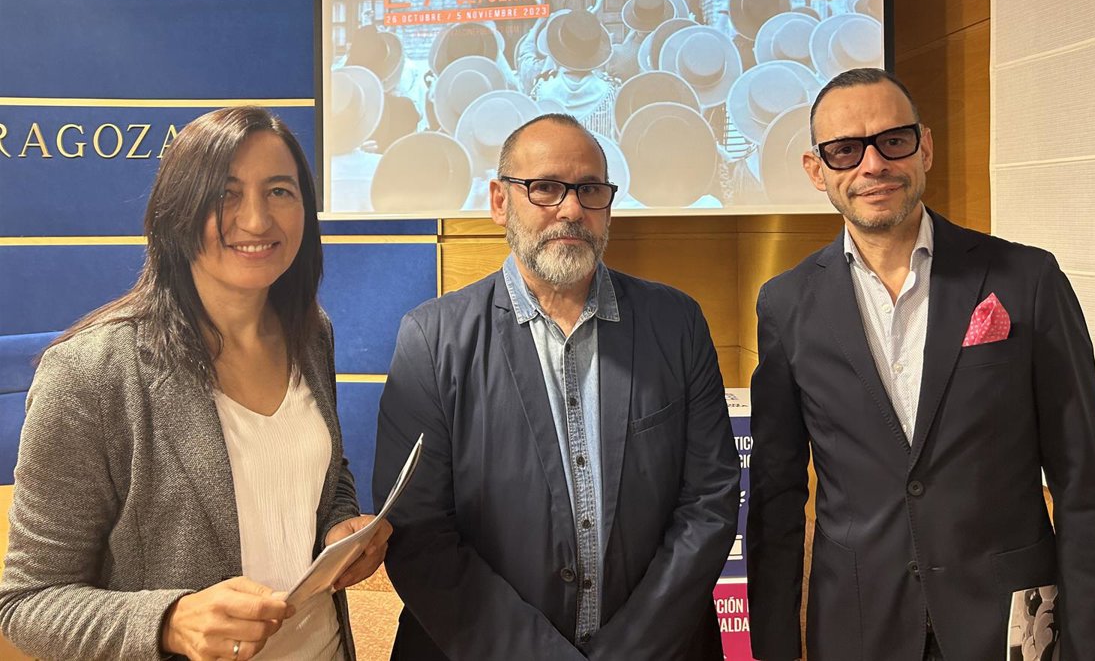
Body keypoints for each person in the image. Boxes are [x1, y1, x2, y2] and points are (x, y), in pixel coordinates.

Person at [746, 69, 1095, 661]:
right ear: (817, 170)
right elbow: (777, 497)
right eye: (845, 150)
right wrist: (772, 648)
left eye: (892, 140)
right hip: (858, 627)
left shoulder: (1026, 280)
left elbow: (1082, 483)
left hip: (1009, 621)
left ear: (924, 147)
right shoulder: (786, 303)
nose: (873, 164)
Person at [0, 106, 390, 661]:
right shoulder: (91, 372)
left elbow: (325, 473)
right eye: (225, 194)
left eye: (279, 191)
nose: (256, 220)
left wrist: (337, 529)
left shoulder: (309, 333)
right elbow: (27, 603)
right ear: (177, 211)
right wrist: (169, 621)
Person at [374, 113, 740, 661]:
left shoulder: (676, 323)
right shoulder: (432, 339)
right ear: (500, 201)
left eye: (589, 189)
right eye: (545, 187)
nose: (571, 209)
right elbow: (418, 531)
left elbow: (709, 502)